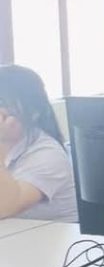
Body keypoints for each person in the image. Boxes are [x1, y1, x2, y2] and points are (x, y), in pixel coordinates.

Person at [0, 65, 77, 222]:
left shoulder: (47, 155)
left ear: (34, 112)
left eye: (4, 105)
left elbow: (5, 207)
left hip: (52, 236)